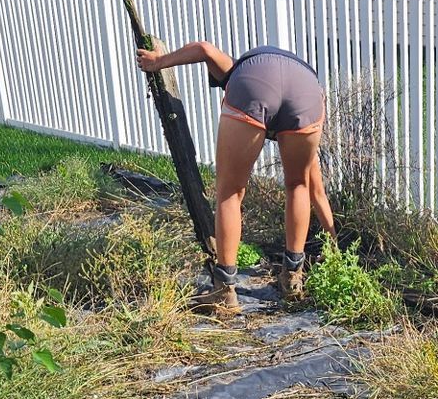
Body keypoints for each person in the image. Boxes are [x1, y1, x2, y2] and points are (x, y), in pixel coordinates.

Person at [134, 40, 337, 315]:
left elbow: (205, 49)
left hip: (255, 85)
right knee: (298, 184)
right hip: (307, 92)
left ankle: (224, 291)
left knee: (230, 192)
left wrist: (158, 62)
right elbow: (316, 191)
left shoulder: (235, 71)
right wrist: (333, 243)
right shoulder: (292, 73)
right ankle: (292, 280)